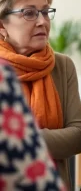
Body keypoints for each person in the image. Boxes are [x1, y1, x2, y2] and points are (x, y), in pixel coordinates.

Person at [0, 0, 81, 189]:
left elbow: (77, 136)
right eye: (29, 13)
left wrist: (21, 137)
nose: (42, 21)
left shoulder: (62, 65)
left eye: (46, 12)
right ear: (2, 25)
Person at [0, 59, 66, 190]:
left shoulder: (61, 64)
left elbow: (78, 136)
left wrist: (33, 135)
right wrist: (30, 136)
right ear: (3, 36)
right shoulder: (3, 74)